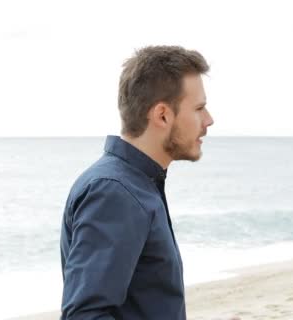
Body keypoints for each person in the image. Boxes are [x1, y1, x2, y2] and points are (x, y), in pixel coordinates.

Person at [60, 45, 213, 319]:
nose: (209, 120)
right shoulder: (114, 192)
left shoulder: (138, 184)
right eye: (199, 108)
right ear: (162, 115)